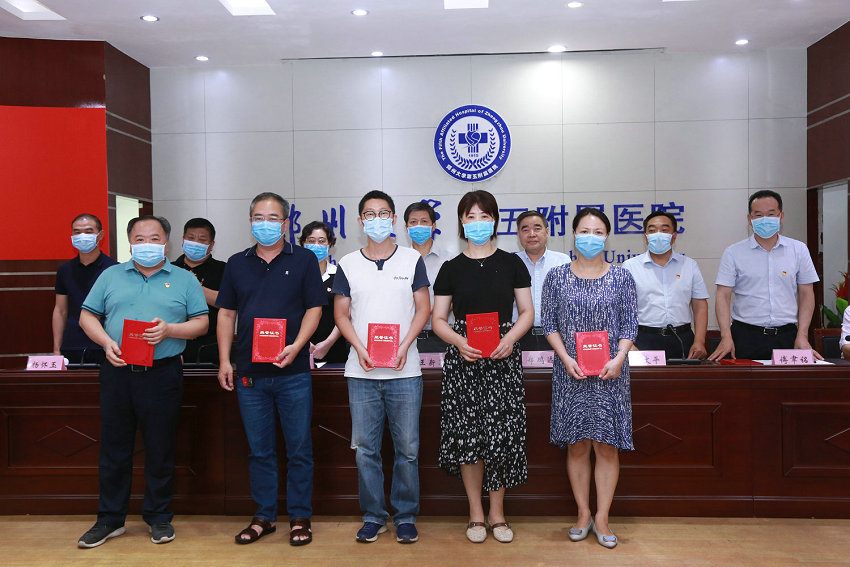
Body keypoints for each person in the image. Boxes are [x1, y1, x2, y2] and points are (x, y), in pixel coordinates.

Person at [76, 215, 208, 548]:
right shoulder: (111, 275)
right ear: (129, 242)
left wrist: (170, 330)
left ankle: (159, 517)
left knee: (160, 448)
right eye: (139, 239)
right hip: (118, 371)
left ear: (166, 242)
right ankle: (110, 519)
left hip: (162, 373)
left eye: (154, 238)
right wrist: (106, 343)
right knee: (114, 448)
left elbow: (201, 323)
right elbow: (87, 315)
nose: (146, 245)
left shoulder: (184, 279)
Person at [216, 192, 325, 546]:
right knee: (259, 450)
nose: (265, 224)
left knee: (299, 449)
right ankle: (264, 516)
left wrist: (298, 345)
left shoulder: (304, 259)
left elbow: (314, 309)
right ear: (250, 221)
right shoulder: (236, 263)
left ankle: (299, 516)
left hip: (293, 373)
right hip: (250, 374)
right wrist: (224, 360)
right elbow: (226, 314)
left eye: (273, 218)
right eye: (258, 217)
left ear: (285, 223)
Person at [431, 190, 534, 544]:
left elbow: (527, 312)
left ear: (495, 221)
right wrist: (459, 342)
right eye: (471, 216)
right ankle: (475, 513)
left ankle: (497, 513)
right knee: (469, 438)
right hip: (465, 361)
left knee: (501, 438)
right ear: (461, 221)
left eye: (484, 216)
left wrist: (511, 338)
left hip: (503, 360)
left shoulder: (512, 263)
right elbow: (438, 319)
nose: (477, 223)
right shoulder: (450, 268)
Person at [332, 190, 430, 544]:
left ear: (393, 219)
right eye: (370, 214)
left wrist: (404, 346)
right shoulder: (348, 263)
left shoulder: (411, 259)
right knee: (365, 450)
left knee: (408, 449)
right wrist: (359, 348)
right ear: (360, 221)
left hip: (405, 371)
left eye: (384, 213)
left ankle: (405, 516)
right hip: (361, 373)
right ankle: (373, 515)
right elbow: (341, 314)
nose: (377, 219)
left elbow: (423, 309)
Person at [541, 207, 638, 550]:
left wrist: (619, 358)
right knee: (578, 444)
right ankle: (583, 513)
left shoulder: (622, 277)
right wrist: (565, 357)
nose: (591, 238)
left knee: (607, 446)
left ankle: (603, 517)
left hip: (612, 373)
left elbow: (630, 325)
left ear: (607, 236)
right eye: (584, 231)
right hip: (571, 372)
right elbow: (549, 323)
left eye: (597, 232)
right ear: (574, 234)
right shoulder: (556, 277)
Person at [708, 190, 821, 361]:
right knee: (743, 379)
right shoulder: (734, 252)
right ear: (750, 219)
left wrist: (802, 334)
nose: (765, 219)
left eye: (771, 214)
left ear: (781, 216)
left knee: (789, 379)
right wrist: (725, 336)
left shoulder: (798, 249)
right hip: (745, 336)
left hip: (787, 336)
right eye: (758, 215)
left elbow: (806, 293)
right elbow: (723, 296)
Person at [622, 211, 709, 360]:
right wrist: (628, 344)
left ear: (674, 236)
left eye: (664, 230)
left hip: (682, 338)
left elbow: (700, 306)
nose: (658, 234)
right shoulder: (630, 266)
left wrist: (700, 341)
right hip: (643, 339)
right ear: (645, 237)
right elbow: (622, 309)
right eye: (652, 230)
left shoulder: (689, 265)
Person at [52, 213, 117, 365]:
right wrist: (56, 349)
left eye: (88, 231)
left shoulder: (114, 269)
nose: (82, 236)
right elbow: (60, 310)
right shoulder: (65, 270)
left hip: (105, 345)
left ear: (100, 235)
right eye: (77, 232)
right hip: (71, 344)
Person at [512, 210, 570, 352]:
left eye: (537, 228)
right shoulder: (510, 263)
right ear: (518, 235)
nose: (532, 234)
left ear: (547, 231)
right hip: (518, 337)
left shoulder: (562, 261)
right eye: (525, 230)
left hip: (556, 337)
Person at [404, 200, 455, 353]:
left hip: (442, 336)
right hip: (407, 337)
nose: (418, 226)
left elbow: (457, 296)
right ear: (406, 227)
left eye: (424, 221)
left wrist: (429, 311)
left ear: (433, 226)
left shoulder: (449, 260)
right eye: (413, 222)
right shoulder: (398, 260)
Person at [172, 218, 226, 364]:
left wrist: (193, 287)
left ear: (211, 244)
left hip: (210, 347)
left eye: (202, 240)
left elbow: (228, 303)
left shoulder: (223, 269)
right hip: (172, 344)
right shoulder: (170, 269)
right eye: (190, 238)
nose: (195, 243)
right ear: (183, 240)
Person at [298, 220, 349, 364]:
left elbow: (345, 313)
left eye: (321, 241)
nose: (316, 245)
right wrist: (304, 342)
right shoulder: (294, 275)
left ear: (330, 244)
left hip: (335, 349)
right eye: (311, 241)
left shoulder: (340, 274)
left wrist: (328, 343)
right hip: (299, 348)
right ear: (303, 243)